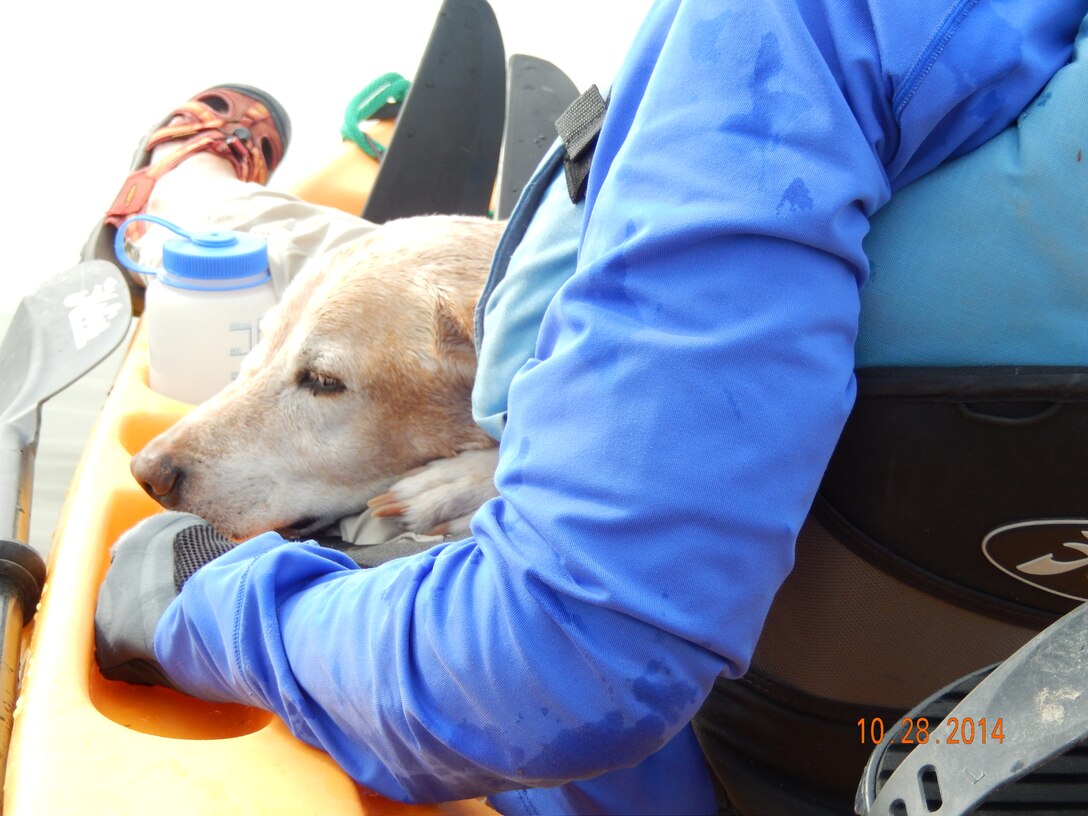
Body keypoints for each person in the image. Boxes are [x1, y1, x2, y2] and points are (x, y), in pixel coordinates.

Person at [92, 1, 1088, 813]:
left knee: (357, 276)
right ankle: (209, 209)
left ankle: (188, 204)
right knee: (367, 280)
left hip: (691, 776)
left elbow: (553, 673)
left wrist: (202, 604)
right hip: (985, 737)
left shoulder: (796, 33)